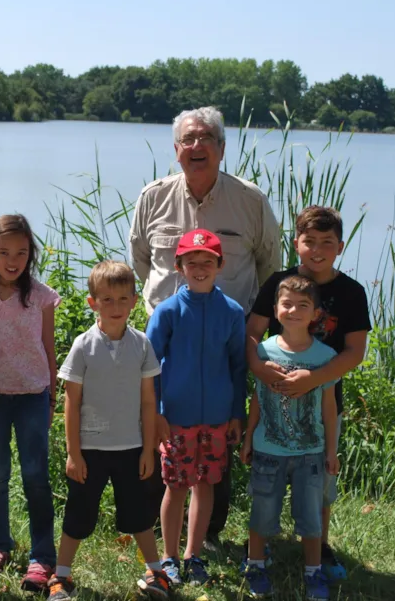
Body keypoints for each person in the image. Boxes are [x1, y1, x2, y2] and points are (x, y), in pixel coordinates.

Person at [129, 106, 281, 546]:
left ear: (222, 148)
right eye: (188, 140)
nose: (197, 147)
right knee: (163, 428)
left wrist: (252, 326)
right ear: (176, 150)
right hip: (167, 337)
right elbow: (142, 261)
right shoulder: (153, 197)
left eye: (206, 139)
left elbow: (271, 266)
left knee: (219, 430)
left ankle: (209, 532)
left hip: (228, 336)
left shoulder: (250, 200)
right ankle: (164, 529)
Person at [246, 206, 371, 581]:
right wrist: (257, 365)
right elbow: (252, 330)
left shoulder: (352, 292)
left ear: (340, 246)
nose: (317, 250)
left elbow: (355, 352)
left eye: (327, 243)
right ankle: (259, 547)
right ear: (296, 243)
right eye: (309, 242)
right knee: (267, 485)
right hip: (272, 399)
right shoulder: (279, 283)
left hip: (323, 402)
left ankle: (321, 548)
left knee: (318, 488)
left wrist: (312, 381)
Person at [48, 261, 172, 601]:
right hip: (90, 449)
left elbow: (149, 402)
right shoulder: (83, 346)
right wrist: (74, 453)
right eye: (107, 299)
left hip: (132, 448)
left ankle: (155, 572)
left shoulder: (142, 344)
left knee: (139, 514)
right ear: (93, 303)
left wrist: (148, 450)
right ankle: (60, 578)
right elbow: (70, 403)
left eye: (122, 299)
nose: (115, 307)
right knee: (78, 514)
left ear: (134, 300)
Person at [146, 230, 246, 586]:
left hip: (217, 418)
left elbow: (238, 366)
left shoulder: (232, 313)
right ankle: (169, 556)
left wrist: (237, 413)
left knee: (206, 484)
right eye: (192, 262)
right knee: (175, 486)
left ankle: (194, 554)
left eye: (208, 262)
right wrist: (156, 413)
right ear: (179, 266)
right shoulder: (167, 311)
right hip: (175, 419)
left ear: (220, 265)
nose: (200, 268)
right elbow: (149, 365)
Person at [0, 214, 60, 591]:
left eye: (21, 252)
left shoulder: (40, 296)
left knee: (36, 478)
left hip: (32, 396)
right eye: (4, 251)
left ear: (31, 255)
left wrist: (53, 393)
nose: (13, 260)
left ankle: (42, 557)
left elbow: (49, 347)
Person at [240, 275, 339, 601]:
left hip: (311, 453)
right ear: (275, 309)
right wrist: (248, 437)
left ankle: (313, 572)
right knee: (262, 512)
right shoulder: (264, 351)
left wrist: (331, 451)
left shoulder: (324, 357)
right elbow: (256, 399)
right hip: (268, 450)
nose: (294, 310)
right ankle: (255, 564)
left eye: (303, 305)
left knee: (310, 518)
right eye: (287, 304)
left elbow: (328, 408)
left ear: (315, 314)